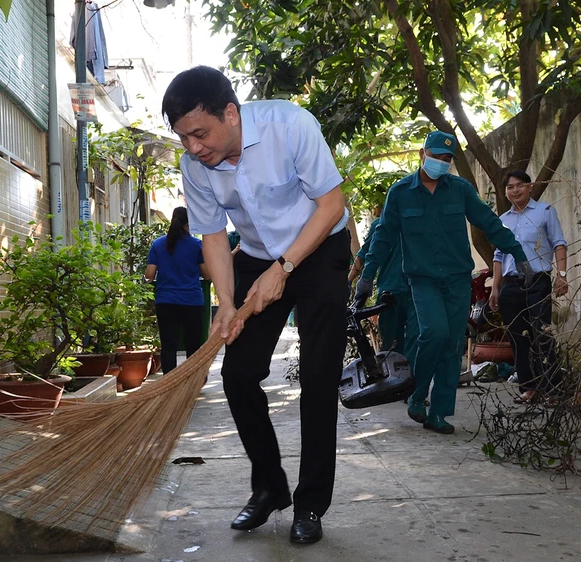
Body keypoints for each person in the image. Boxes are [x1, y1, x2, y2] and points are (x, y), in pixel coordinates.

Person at [162, 66, 350, 545]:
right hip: (256, 255)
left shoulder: (290, 126)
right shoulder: (195, 166)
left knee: (318, 375)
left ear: (230, 112)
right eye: (184, 139)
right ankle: (269, 487)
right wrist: (226, 302)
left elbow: (331, 204)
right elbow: (213, 236)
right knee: (238, 374)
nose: (193, 148)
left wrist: (285, 269)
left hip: (320, 248)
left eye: (200, 134)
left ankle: (310, 504)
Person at [354, 131, 534, 435]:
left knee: (452, 344)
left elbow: (489, 223)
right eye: (436, 156)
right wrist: (367, 276)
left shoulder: (460, 189)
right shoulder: (400, 193)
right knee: (433, 333)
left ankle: (438, 411)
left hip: (456, 279)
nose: (441, 162)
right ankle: (417, 392)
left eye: (447, 158)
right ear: (423, 153)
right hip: (422, 279)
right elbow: (383, 236)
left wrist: (520, 255)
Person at [488, 171, 568, 404]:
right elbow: (499, 255)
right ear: (505, 192)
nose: (515, 190)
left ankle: (553, 389)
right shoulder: (503, 220)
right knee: (517, 338)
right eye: (510, 187)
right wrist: (495, 288)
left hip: (538, 282)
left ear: (529, 186)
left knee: (542, 334)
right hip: (510, 286)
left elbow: (559, 244)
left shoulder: (545, 212)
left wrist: (562, 276)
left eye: (519, 185)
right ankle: (529, 388)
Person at [145, 206, 210, 374]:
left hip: (166, 301)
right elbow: (206, 274)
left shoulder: (158, 244)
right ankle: (193, 380)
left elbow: (149, 274)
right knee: (193, 345)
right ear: (188, 224)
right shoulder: (196, 245)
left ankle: (169, 384)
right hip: (192, 302)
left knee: (169, 345)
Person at [349, 208, 418, 361]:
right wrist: (349, 280)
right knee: (402, 343)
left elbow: (363, 256)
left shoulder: (414, 223)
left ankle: (407, 379)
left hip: (404, 291)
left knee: (400, 343)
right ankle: (404, 380)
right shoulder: (380, 226)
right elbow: (363, 256)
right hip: (398, 292)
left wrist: (349, 280)